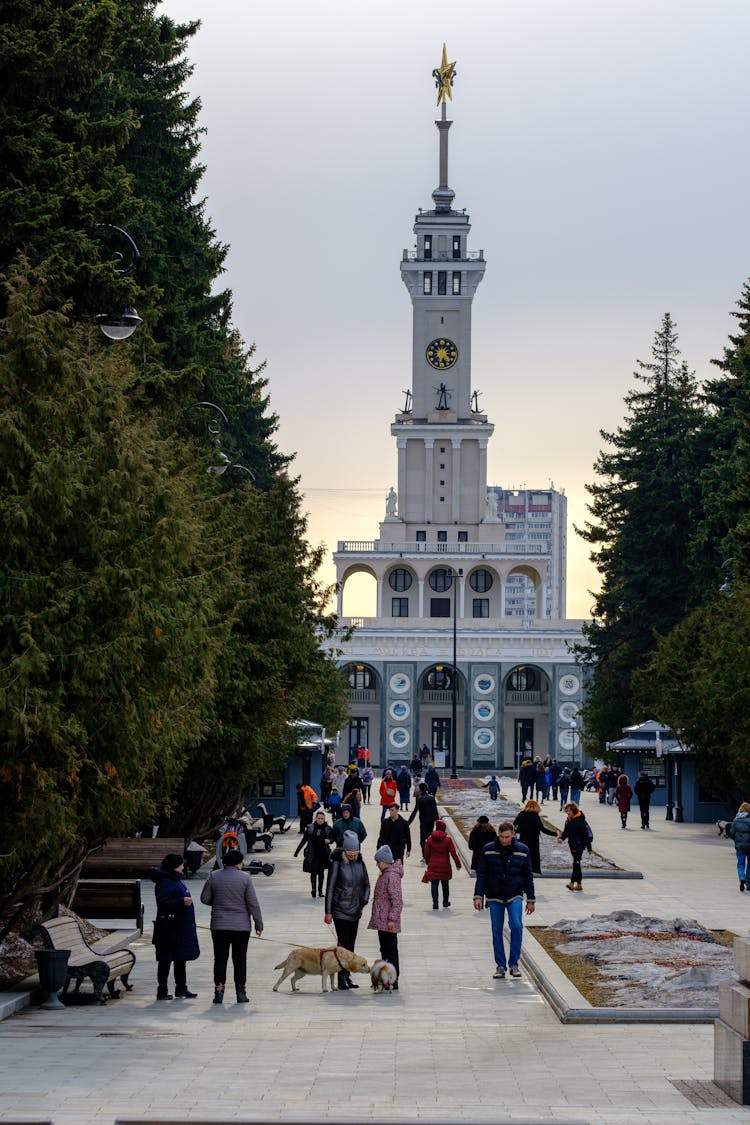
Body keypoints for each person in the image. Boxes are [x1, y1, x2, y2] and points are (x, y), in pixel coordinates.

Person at [200, 849, 263, 1004]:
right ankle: (240, 993)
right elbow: (253, 903)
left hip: (219, 925)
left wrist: (218, 903)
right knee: (240, 959)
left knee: (220, 959)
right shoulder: (245, 878)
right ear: (238, 863)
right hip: (241, 927)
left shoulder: (214, 876)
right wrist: (258, 923)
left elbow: (204, 898)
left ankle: (219, 992)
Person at [473, 819, 535, 979]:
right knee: (496, 930)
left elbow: (528, 875)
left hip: (515, 893)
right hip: (494, 895)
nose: (504, 840)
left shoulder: (523, 850)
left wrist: (531, 898)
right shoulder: (488, 850)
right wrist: (478, 895)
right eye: (501, 837)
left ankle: (513, 963)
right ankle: (500, 965)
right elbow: (481, 873)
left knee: (516, 926)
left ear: (513, 834)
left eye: (507, 837)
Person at [150, 853, 200, 1000]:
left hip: (179, 927)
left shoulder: (175, 879)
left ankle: (181, 988)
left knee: (180, 958)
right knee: (165, 960)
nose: (183, 866)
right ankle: (162, 990)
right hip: (169, 928)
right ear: (174, 866)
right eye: (181, 864)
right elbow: (163, 904)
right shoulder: (165, 881)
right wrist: (181, 902)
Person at [324, 830, 370, 989]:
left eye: (355, 851)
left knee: (351, 946)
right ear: (344, 850)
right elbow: (329, 888)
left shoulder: (360, 863)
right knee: (343, 946)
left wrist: (364, 900)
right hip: (340, 910)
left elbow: (367, 885)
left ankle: (347, 976)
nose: (352, 854)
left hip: (356, 911)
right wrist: (328, 912)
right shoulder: (337, 863)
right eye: (350, 851)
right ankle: (341, 978)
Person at [367, 844, 403, 988]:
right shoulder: (385, 874)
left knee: (391, 950)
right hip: (382, 920)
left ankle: (393, 979)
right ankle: (386, 977)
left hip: (388, 921)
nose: (377, 865)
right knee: (385, 949)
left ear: (386, 861)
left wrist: (392, 918)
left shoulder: (392, 876)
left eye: (378, 862)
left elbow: (397, 900)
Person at [294, 808, 334, 898]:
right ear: (315, 818)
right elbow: (304, 840)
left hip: (323, 854)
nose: (320, 820)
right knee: (313, 872)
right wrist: (297, 851)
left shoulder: (328, 828)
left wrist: (330, 841)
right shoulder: (310, 828)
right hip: (313, 854)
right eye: (318, 818)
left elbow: (332, 838)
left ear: (324, 819)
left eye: (322, 818)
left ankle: (320, 891)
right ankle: (313, 889)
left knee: (321, 873)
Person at [422, 819, 462, 908]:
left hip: (433, 865)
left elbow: (426, 853)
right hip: (445, 865)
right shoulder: (448, 840)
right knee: (445, 884)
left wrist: (429, 861)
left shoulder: (430, 839)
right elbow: (453, 853)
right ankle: (445, 902)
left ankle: (435, 904)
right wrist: (458, 864)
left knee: (434, 884)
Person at [513, 799, 558, 875]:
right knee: (533, 857)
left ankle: (520, 870)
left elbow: (514, 825)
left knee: (521, 855)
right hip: (533, 841)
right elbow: (543, 829)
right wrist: (555, 834)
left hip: (522, 840)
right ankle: (534, 871)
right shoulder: (535, 817)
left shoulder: (521, 814)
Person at [557, 801, 592, 891]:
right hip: (572, 845)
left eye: (569, 811)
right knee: (577, 864)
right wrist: (561, 838)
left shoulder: (580, 821)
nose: (567, 813)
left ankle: (572, 883)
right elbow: (566, 832)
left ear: (574, 811)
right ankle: (579, 884)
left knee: (576, 863)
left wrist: (589, 848)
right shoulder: (568, 821)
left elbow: (586, 835)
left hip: (579, 845)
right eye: (566, 811)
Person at [408, 782, 438, 861]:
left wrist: (408, 823)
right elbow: (435, 810)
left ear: (420, 789)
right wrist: (437, 822)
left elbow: (415, 811)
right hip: (431, 821)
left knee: (422, 840)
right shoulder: (432, 797)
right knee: (429, 839)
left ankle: (425, 856)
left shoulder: (420, 798)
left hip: (423, 821)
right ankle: (430, 855)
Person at [729, 802, 750, 892]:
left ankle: (742, 878)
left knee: (740, 863)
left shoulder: (735, 820)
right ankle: (748, 884)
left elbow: (732, 833)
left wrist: (737, 841)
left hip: (740, 846)